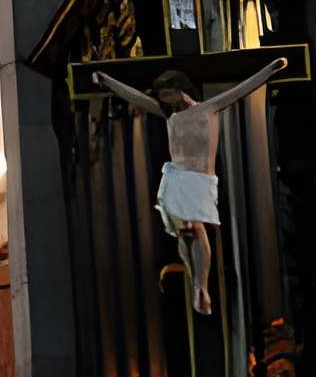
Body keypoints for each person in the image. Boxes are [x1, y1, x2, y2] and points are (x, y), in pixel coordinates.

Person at [92, 62, 279, 316]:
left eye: (167, 94)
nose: (165, 100)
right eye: (161, 97)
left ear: (180, 89)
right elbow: (134, 96)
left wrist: (271, 69)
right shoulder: (170, 115)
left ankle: (202, 285)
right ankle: (196, 285)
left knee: (196, 227)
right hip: (176, 176)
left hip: (199, 179)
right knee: (184, 232)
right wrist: (108, 82)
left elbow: (243, 88)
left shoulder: (208, 108)